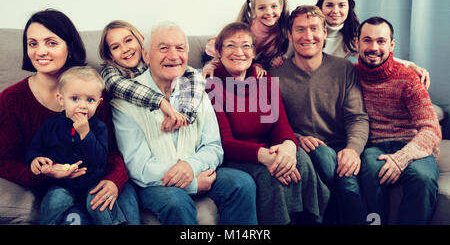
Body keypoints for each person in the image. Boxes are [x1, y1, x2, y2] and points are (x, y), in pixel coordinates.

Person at [0, 9, 140, 225]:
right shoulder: (11, 100)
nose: (40, 51)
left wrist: (114, 180)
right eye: (33, 43)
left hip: (98, 179)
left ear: (69, 46)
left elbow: (111, 150)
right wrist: (45, 172)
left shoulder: (92, 92)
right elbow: (4, 161)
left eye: (51, 43)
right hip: (58, 188)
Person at [111, 21, 257, 225]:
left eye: (180, 48)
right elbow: (139, 166)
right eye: (163, 48)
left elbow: (214, 146)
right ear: (146, 55)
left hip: (196, 169)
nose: (173, 55)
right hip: (154, 185)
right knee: (176, 201)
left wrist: (191, 165)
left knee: (242, 183)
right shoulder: (125, 98)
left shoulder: (195, 89)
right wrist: (192, 183)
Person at [206, 22, 330, 224]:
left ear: (254, 52)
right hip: (236, 157)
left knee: (301, 159)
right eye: (230, 45)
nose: (239, 52)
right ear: (219, 51)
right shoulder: (212, 86)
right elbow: (225, 143)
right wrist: (265, 156)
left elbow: (280, 126)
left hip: (269, 151)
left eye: (246, 46)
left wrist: (289, 147)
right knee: (269, 175)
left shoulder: (265, 82)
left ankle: (310, 220)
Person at [270, 5, 369, 224]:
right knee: (328, 171)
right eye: (300, 29)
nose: (308, 36)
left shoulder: (344, 68)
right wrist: (296, 138)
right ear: (290, 34)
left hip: (340, 147)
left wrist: (352, 150)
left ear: (325, 33)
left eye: (314, 28)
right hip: (301, 150)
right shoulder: (274, 75)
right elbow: (269, 125)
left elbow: (357, 118)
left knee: (346, 182)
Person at [355, 16, 441, 225]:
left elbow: (430, 127)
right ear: (357, 43)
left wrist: (401, 158)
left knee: (422, 179)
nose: (373, 47)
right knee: (371, 174)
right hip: (375, 146)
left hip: (412, 145)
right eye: (367, 40)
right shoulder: (350, 76)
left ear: (392, 44)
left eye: (381, 41)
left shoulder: (409, 78)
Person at [25, 66, 126, 224]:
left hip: (92, 182)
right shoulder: (50, 126)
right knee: (55, 200)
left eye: (90, 100)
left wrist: (86, 134)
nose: (82, 106)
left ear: (99, 103)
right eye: (74, 99)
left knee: (99, 202)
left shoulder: (98, 127)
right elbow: (35, 147)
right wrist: (35, 159)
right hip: (62, 184)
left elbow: (101, 159)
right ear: (61, 100)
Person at [316, 0, 430, 88]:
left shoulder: (351, 36)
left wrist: (412, 66)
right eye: (329, 5)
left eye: (341, 5)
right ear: (321, 7)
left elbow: (379, 55)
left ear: (349, 8)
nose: (335, 10)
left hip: (330, 86)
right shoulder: (310, 32)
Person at [99, 20, 205, 131]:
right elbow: (116, 85)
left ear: (140, 38)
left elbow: (194, 75)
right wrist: (161, 101)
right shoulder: (110, 71)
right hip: (132, 124)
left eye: (128, 40)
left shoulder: (155, 61)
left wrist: (185, 115)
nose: (125, 49)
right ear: (110, 55)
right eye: (115, 47)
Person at [202, 0, 290, 79]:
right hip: (215, 55)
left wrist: (261, 65)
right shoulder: (248, 29)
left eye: (274, 6)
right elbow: (224, 52)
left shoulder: (283, 30)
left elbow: (264, 57)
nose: (268, 12)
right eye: (261, 8)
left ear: (281, 7)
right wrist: (211, 66)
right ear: (253, 10)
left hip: (245, 59)